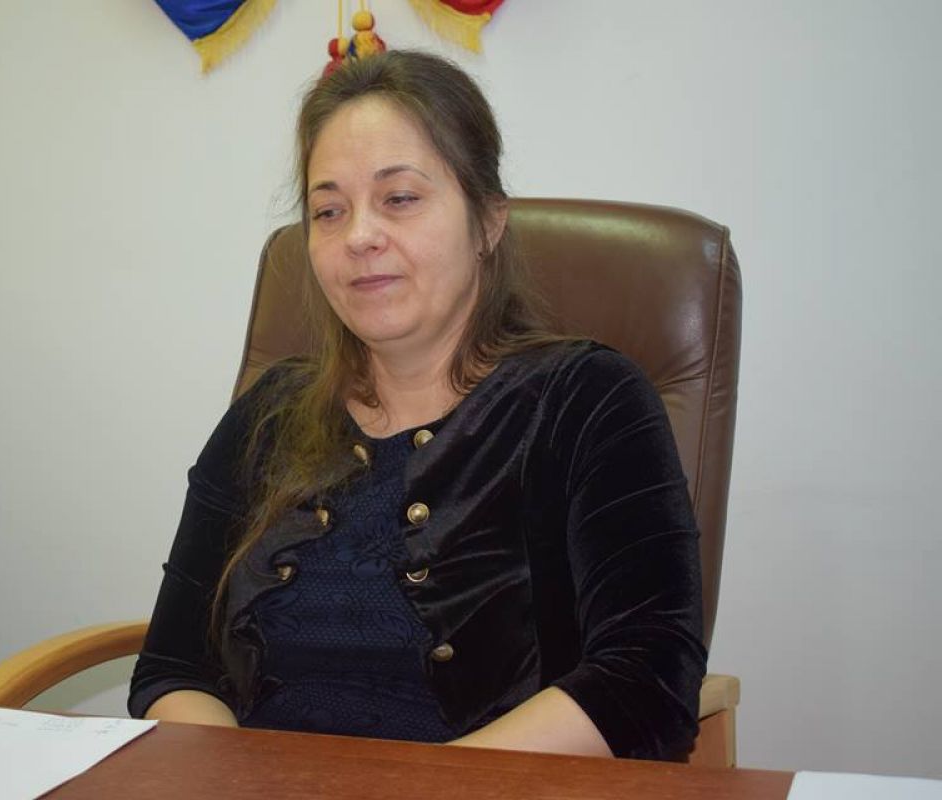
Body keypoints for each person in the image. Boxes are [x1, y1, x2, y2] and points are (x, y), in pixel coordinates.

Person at [129, 50, 706, 761]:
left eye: (399, 198)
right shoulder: (268, 415)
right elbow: (173, 670)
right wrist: (238, 782)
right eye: (328, 211)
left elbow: (646, 679)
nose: (359, 236)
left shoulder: (586, 401)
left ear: (487, 221)